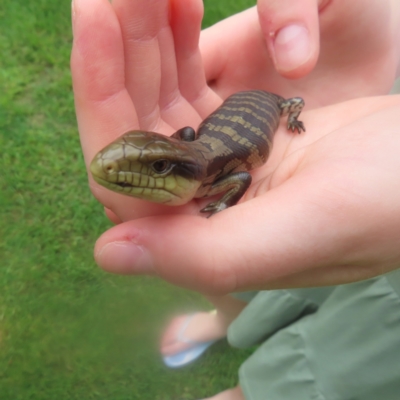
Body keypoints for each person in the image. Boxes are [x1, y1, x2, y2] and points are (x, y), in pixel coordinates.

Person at [71, 0, 400, 398]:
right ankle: (224, 319)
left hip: (269, 105)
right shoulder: (194, 154)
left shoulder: (214, 177)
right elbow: (188, 139)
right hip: (244, 106)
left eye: (158, 167)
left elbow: (242, 174)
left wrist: (227, 201)